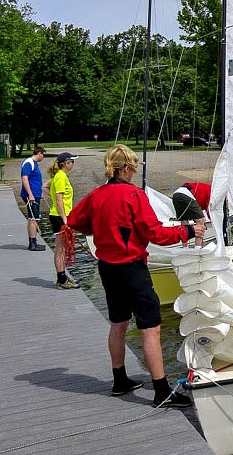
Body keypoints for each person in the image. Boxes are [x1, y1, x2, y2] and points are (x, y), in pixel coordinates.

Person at [67, 144, 206, 406]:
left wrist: (97, 226)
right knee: (150, 328)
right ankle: (161, 391)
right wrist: (187, 232)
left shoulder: (96, 195)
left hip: (107, 268)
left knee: (118, 323)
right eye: (133, 168)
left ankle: (120, 380)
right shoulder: (134, 195)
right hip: (132, 268)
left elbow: (74, 220)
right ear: (128, 168)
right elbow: (156, 234)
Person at [48, 152, 79, 289]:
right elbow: (59, 199)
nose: (73, 164)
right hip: (60, 216)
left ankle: (63, 278)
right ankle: (61, 280)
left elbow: (45, 186)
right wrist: (65, 219)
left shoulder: (59, 176)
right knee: (60, 249)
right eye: (72, 161)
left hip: (60, 215)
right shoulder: (60, 176)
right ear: (66, 163)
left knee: (63, 248)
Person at [20, 147, 47, 251]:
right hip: (30, 195)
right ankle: (32, 244)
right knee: (33, 218)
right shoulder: (28, 163)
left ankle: (34, 241)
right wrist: (30, 194)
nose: (43, 157)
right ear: (39, 153)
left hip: (35, 194)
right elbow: (24, 178)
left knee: (35, 217)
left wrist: (39, 193)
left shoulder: (34, 163)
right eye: (43, 155)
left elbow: (35, 180)